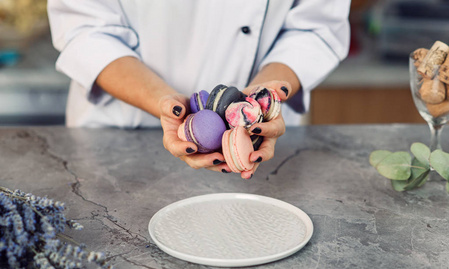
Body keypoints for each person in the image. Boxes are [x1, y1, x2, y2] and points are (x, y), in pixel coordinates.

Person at [47, 0, 351, 179]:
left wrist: (263, 96)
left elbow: (316, 26)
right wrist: (166, 103)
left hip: (260, 141)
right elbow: (85, 28)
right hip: (119, 137)